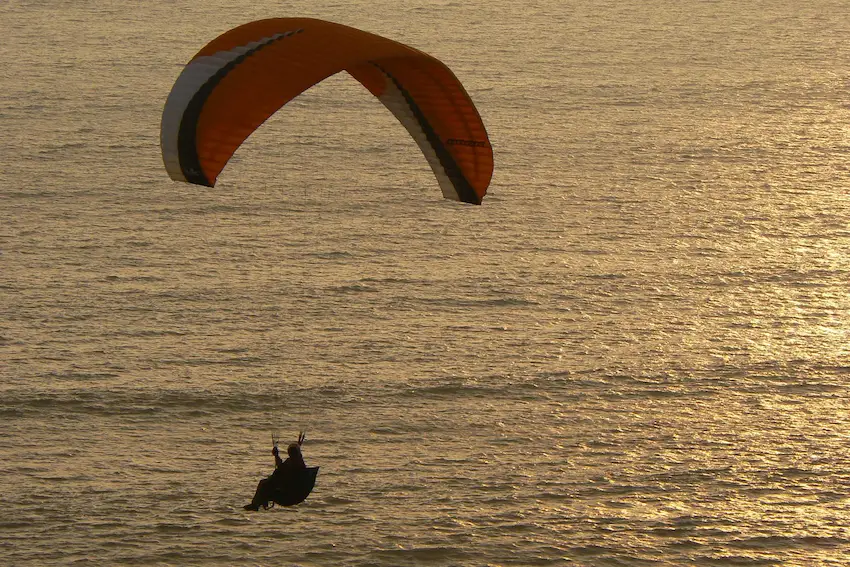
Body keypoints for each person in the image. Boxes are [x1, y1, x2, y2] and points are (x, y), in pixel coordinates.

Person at [244, 431, 307, 511]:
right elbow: (282, 467)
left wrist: (277, 456)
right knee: (264, 483)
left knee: (264, 484)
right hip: (290, 489)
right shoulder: (296, 461)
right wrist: (277, 456)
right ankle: (258, 503)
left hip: (288, 490)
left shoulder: (295, 463)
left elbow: (281, 468)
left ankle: (256, 504)